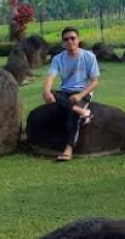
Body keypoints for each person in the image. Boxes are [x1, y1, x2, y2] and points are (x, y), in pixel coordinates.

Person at [43, 26, 100, 162]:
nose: (70, 41)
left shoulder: (89, 56)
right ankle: (83, 112)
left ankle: (68, 149)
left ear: (78, 40)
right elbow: (50, 77)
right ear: (63, 43)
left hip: (82, 92)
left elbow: (94, 82)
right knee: (50, 92)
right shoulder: (58, 59)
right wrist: (46, 92)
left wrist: (80, 96)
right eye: (66, 39)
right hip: (65, 92)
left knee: (72, 115)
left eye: (72, 38)